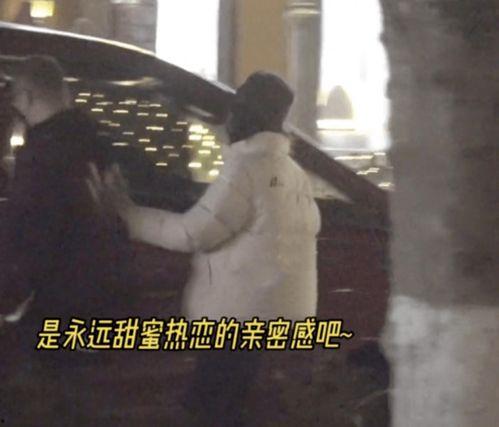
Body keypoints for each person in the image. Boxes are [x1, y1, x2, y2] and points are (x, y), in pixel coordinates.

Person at [91, 71, 321, 425]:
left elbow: (193, 234)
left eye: (236, 106)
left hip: (237, 321)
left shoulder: (248, 169)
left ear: (245, 114)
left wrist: (128, 214)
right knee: (228, 405)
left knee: (207, 409)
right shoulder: (291, 171)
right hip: (269, 317)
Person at [0, 55, 132, 341]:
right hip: (100, 303)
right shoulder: (96, 140)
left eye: (15, 97)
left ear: (27, 96)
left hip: (54, 307)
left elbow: (30, 238)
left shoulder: (41, 157)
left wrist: (9, 298)